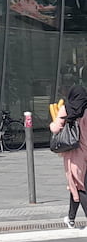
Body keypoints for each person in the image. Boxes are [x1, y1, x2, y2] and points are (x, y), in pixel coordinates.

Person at [50, 84, 87, 227]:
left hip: (74, 153)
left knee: (79, 185)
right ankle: (71, 218)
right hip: (85, 151)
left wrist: (53, 123)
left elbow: (55, 128)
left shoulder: (67, 109)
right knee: (76, 185)